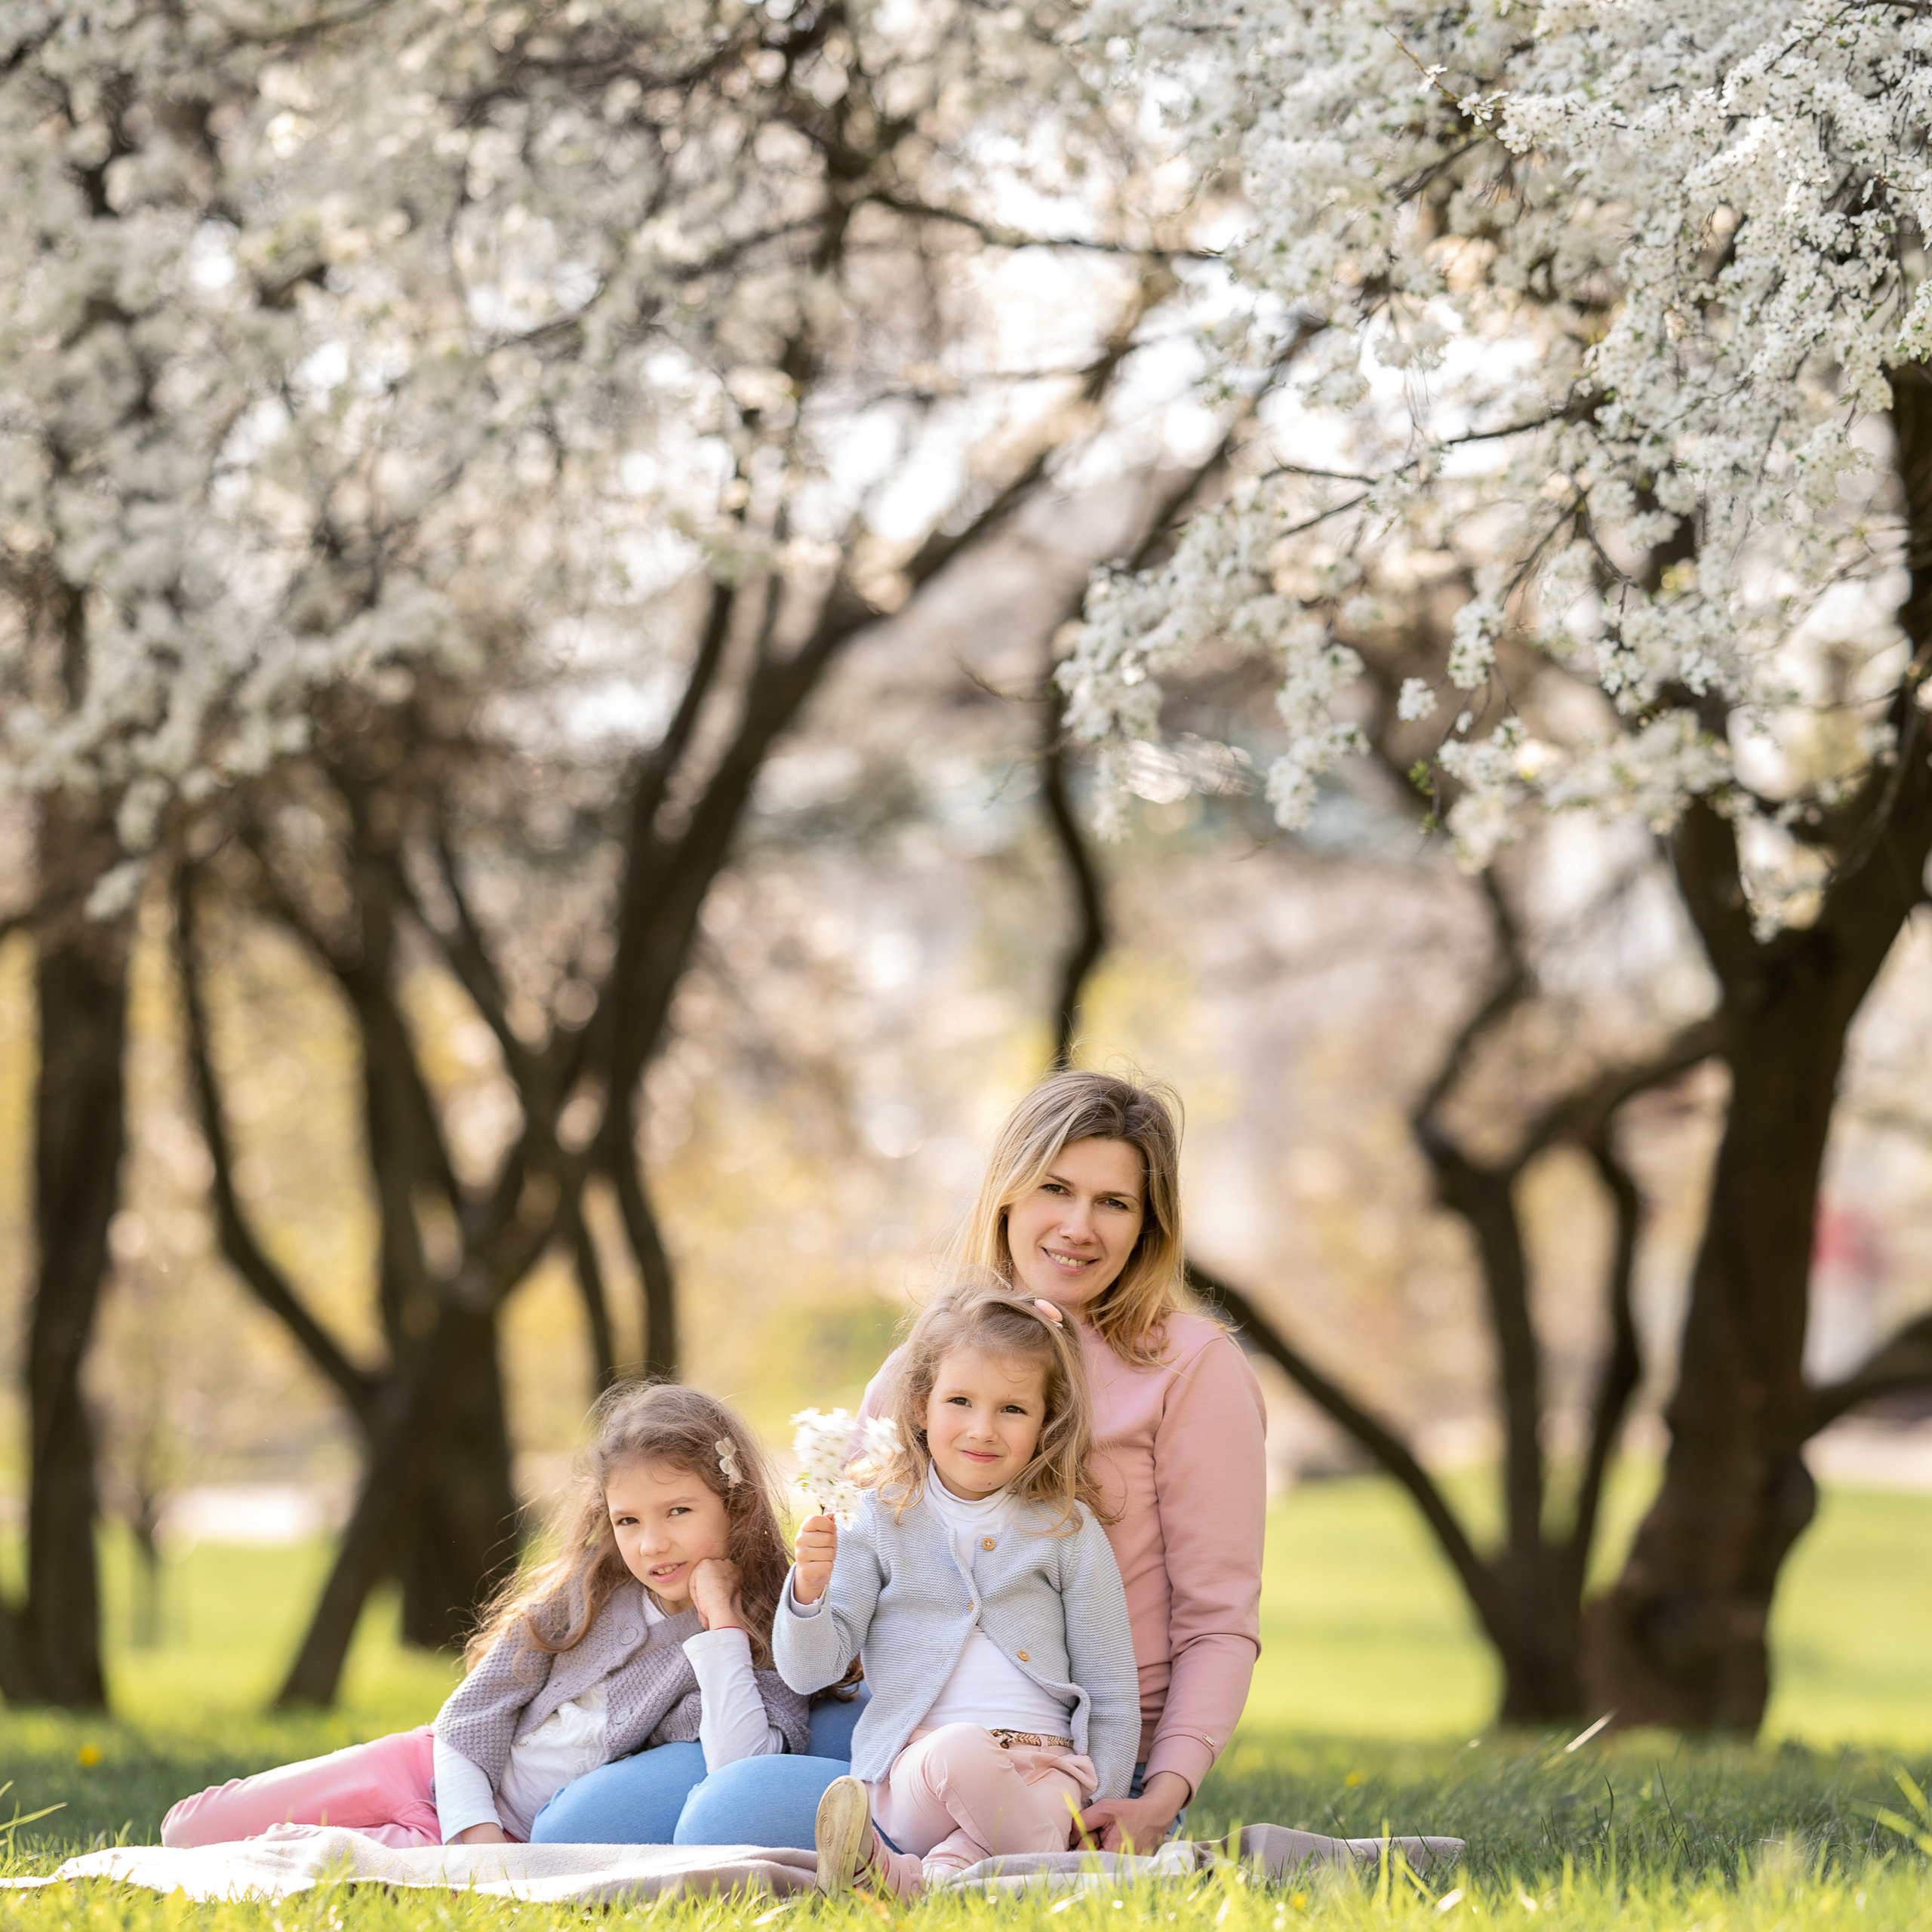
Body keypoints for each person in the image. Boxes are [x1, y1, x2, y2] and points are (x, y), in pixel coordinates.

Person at [651, 1068, 1265, 1854]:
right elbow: (857, 1561)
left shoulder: (1192, 1367)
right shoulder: (932, 1359)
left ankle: (964, 1859)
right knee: (584, 1820)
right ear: (1008, 1193)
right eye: (1055, 1188)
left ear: (1147, 1225)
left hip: (1073, 1761)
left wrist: (1157, 1794)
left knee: (720, 1817)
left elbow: (1218, 1622)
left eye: (1114, 1202)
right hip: (899, 1732)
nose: (1079, 1225)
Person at [161, 1383, 809, 1849]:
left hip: (506, 1835)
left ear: (735, 1501)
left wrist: (720, 1623)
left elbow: (740, 1772)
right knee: (190, 1829)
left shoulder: (770, 1632)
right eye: (627, 1521)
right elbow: (470, 1715)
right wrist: (472, 1830)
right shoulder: (590, 1587)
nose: (650, 1545)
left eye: (678, 1512)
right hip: (432, 1770)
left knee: (277, 1859)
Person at [780, 1283, 1140, 1897]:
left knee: (978, 1850)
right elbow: (809, 1670)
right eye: (961, 1401)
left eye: (1013, 1409)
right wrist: (809, 1592)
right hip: (922, 1769)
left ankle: (915, 1883)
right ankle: (1074, 1880)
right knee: (963, 1752)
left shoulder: (1066, 1527)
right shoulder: (876, 1517)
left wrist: (1102, 1797)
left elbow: (1110, 1685)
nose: (983, 1429)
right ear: (921, 1407)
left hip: (1048, 1770)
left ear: (1046, 1421)